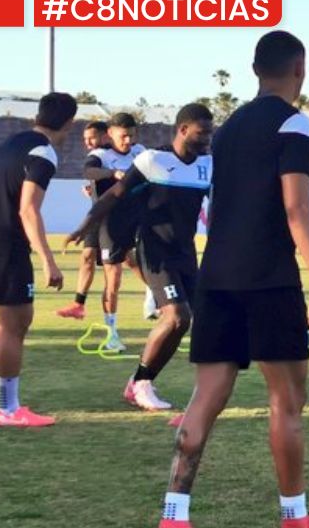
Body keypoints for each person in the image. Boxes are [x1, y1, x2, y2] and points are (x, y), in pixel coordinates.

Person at [152, 30, 309, 528]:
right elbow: (296, 209)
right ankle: (295, 522)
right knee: (288, 401)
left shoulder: (232, 125)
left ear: (254, 68)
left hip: (216, 277)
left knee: (205, 399)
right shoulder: (295, 122)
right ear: (300, 69)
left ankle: (173, 523)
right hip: (268, 279)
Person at [69, 104, 214, 413]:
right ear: (183, 130)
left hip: (186, 253)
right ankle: (142, 384)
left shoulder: (207, 165)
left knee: (187, 322)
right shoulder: (152, 160)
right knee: (176, 316)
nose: (206, 140)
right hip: (154, 250)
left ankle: (139, 381)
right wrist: (85, 226)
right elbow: (114, 195)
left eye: (210, 134)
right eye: (202, 133)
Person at [0, 92, 74, 428]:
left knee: (5, 323)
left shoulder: (13, 143)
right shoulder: (44, 153)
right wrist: (48, 261)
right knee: (17, 325)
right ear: (69, 123)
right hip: (6, 247)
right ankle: (9, 409)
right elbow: (28, 209)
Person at [82, 112, 147, 353]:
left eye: (131, 135)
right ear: (110, 134)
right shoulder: (100, 155)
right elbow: (88, 173)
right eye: (123, 136)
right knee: (114, 278)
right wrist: (112, 174)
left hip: (138, 219)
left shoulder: (140, 151)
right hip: (110, 223)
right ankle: (112, 334)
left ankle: (155, 301)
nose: (128, 140)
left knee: (147, 262)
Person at [56, 120, 110, 320]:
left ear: (105, 136)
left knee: (129, 262)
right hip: (98, 215)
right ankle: (78, 305)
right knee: (87, 256)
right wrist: (93, 192)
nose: (87, 143)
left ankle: (155, 297)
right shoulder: (96, 157)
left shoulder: (115, 156)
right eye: (85, 139)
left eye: (91, 138)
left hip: (119, 218)